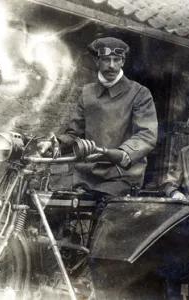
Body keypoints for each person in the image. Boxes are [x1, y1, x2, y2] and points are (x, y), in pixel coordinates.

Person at [38, 37, 158, 196]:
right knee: (52, 206)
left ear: (123, 62)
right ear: (97, 62)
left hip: (121, 174)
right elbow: (74, 133)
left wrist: (122, 153)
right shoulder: (87, 93)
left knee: (104, 216)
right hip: (86, 173)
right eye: (106, 60)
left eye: (117, 60)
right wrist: (56, 144)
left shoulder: (139, 93)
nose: (111, 66)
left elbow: (146, 134)